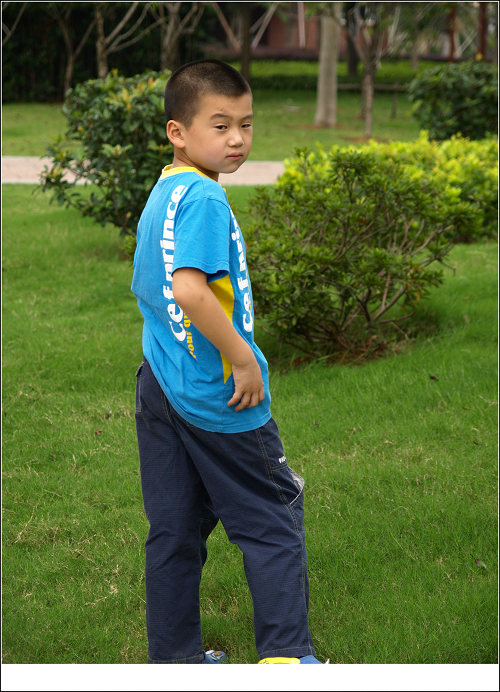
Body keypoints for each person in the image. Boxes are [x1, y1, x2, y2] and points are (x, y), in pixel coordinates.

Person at [131, 59, 323, 665]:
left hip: (160, 382)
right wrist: (242, 358)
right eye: (220, 125)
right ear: (178, 132)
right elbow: (189, 290)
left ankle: (175, 661)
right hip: (218, 393)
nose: (237, 139)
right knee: (271, 514)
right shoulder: (206, 198)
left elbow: (150, 288)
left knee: (175, 528)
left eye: (246, 124)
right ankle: (286, 656)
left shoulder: (166, 190)